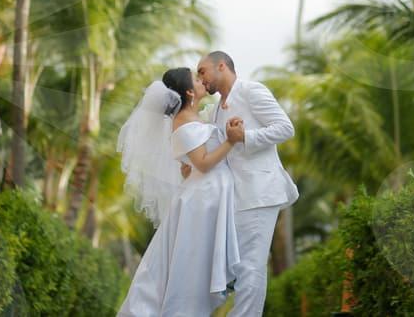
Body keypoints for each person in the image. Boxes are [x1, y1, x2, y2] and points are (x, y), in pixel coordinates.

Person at [117, 67, 246, 316]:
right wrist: (231, 140)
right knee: (190, 267)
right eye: (196, 79)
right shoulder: (183, 121)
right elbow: (204, 163)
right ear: (189, 91)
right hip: (201, 200)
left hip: (207, 194)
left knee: (193, 264)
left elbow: (194, 162)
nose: (201, 81)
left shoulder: (194, 118)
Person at [193, 51, 299, 317]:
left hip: (260, 191)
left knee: (251, 266)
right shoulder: (216, 110)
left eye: (202, 71)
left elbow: (285, 128)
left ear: (221, 66)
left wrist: (245, 137)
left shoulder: (251, 91)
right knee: (238, 267)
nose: (200, 78)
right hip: (236, 198)